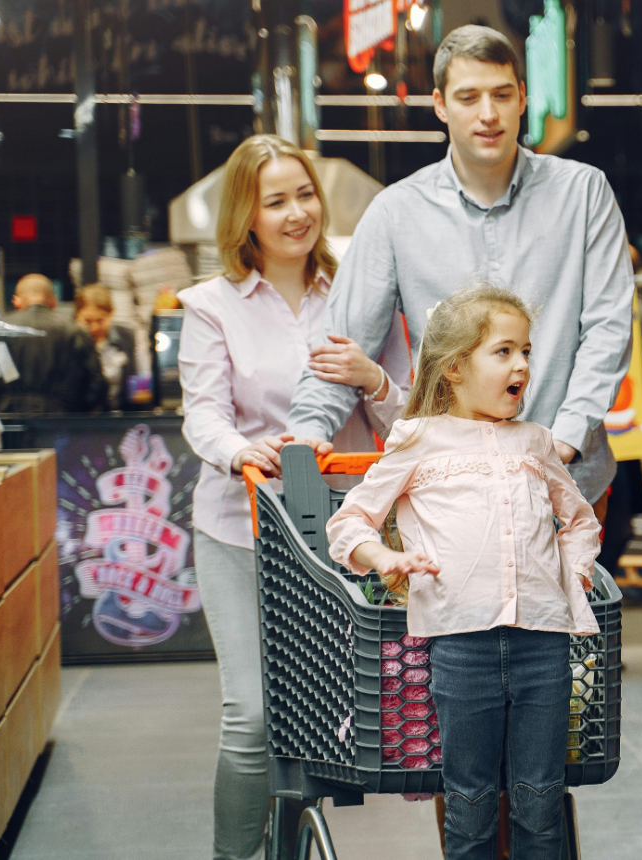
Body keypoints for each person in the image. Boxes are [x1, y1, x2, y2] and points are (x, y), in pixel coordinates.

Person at [283, 24, 634, 531]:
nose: (487, 114)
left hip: (571, 485)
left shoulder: (583, 194)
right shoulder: (395, 213)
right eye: (468, 97)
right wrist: (303, 437)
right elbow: (340, 347)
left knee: (576, 610)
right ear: (441, 105)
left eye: (501, 94)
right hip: (450, 495)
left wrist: (563, 441)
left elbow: (608, 328)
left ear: (522, 100)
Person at [178, 133, 411, 860]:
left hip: (340, 538)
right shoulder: (212, 304)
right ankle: (236, 854)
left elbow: (410, 423)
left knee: (325, 715)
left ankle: (300, 838)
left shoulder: (359, 294)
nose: (296, 212)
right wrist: (238, 449)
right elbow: (202, 412)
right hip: (238, 533)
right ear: (245, 215)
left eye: (305, 194)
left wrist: (373, 379)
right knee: (251, 715)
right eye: (274, 200)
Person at [326, 283, 601, 860]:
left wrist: (573, 573)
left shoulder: (537, 442)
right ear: (454, 368)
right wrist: (385, 558)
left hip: (544, 645)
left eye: (525, 350)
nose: (522, 364)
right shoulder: (418, 439)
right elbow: (350, 522)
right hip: (460, 648)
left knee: (540, 802)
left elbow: (578, 521)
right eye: (502, 352)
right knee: (471, 806)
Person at [0, 274, 108, 413]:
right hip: (60, 424)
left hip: (6, 422)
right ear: (53, 302)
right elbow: (96, 386)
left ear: (16, 301)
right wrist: (76, 411)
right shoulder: (75, 332)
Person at [73, 284, 135, 409]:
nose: (94, 327)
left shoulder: (126, 337)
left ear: (111, 314)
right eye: (88, 321)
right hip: (84, 416)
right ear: (77, 317)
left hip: (121, 413)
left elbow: (133, 377)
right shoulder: (71, 340)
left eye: (100, 320)